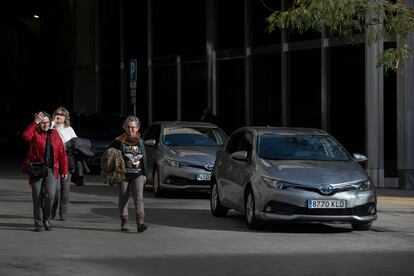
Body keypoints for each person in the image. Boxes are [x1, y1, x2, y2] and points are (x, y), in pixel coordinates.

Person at [21, 111, 68, 232]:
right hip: (36, 168)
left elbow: (62, 153)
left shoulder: (55, 133)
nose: (45, 125)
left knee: (50, 195)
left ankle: (46, 218)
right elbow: (26, 136)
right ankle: (38, 222)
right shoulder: (34, 133)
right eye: (42, 123)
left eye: (47, 122)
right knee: (37, 196)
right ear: (38, 123)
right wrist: (35, 123)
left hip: (51, 169)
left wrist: (64, 169)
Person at [105, 115, 148, 233]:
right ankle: (124, 221)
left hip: (138, 174)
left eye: (133, 127)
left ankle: (140, 223)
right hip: (123, 175)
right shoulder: (119, 141)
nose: (130, 130)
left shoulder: (140, 142)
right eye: (128, 127)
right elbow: (108, 153)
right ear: (125, 127)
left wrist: (145, 174)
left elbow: (144, 158)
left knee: (139, 198)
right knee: (123, 197)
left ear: (138, 128)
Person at [50, 106, 77, 221]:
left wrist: (66, 145)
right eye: (57, 113)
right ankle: (51, 211)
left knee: (65, 190)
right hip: (54, 162)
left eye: (62, 114)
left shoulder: (69, 129)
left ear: (66, 117)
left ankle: (63, 213)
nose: (59, 116)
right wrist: (52, 123)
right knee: (55, 190)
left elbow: (75, 143)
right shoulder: (51, 128)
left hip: (67, 162)